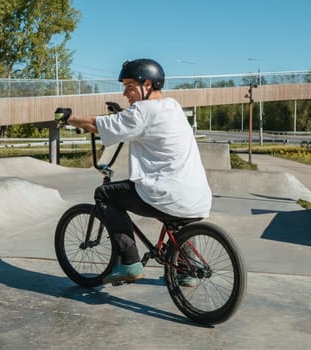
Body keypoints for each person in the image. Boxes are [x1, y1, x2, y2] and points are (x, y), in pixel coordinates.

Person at [64, 58, 212, 285]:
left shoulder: (141, 112)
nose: (125, 93)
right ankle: (185, 270)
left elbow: (96, 125)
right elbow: (143, 122)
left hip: (167, 193)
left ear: (148, 85)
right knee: (175, 219)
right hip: (198, 196)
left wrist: (69, 119)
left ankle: (129, 263)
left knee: (104, 194)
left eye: (130, 86)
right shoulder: (172, 106)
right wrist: (122, 115)